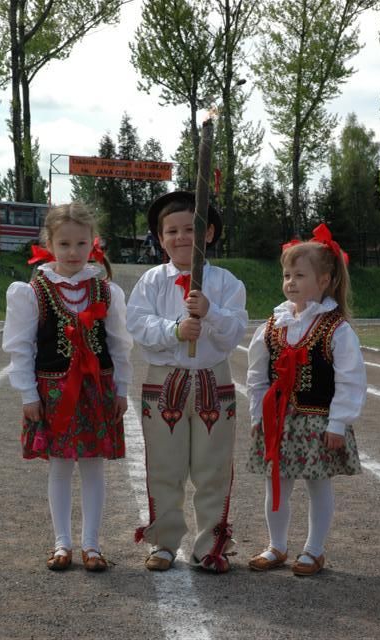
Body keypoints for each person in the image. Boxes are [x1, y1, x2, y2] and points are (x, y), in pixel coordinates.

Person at [2, 203, 133, 572]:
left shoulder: (106, 291)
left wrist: (122, 388)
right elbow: (21, 347)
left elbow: (120, 345)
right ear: (49, 244)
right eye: (64, 244)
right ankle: (62, 543)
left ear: (94, 243)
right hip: (53, 395)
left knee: (93, 466)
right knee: (59, 467)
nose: (73, 252)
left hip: (96, 392)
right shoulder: (32, 291)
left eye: (81, 243)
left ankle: (92, 544)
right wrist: (28, 394)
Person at [126, 190, 248, 573]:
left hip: (214, 380)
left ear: (208, 233)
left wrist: (209, 312)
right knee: (165, 466)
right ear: (160, 238)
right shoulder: (151, 281)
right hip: (165, 382)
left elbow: (234, 332)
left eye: (190, 229)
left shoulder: (226, 283)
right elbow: (138, 324)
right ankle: (164, 542)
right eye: (172, 231)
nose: (181, 237)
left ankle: (210, 545)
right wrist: (175, 330)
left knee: (213, 469)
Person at [246, 224, 366, 576]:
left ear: (324, 280)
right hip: (278, 420)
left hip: (318, 420)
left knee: (318, 484)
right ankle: (277, 545)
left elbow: (350, 379)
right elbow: (257, 375)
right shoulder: (273, 324)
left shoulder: (336, 328)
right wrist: (258, 416)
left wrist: (338, 423)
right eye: (287, 275)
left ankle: (314, 550)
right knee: (276, 485)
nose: (291, 282)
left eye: (300, 275)